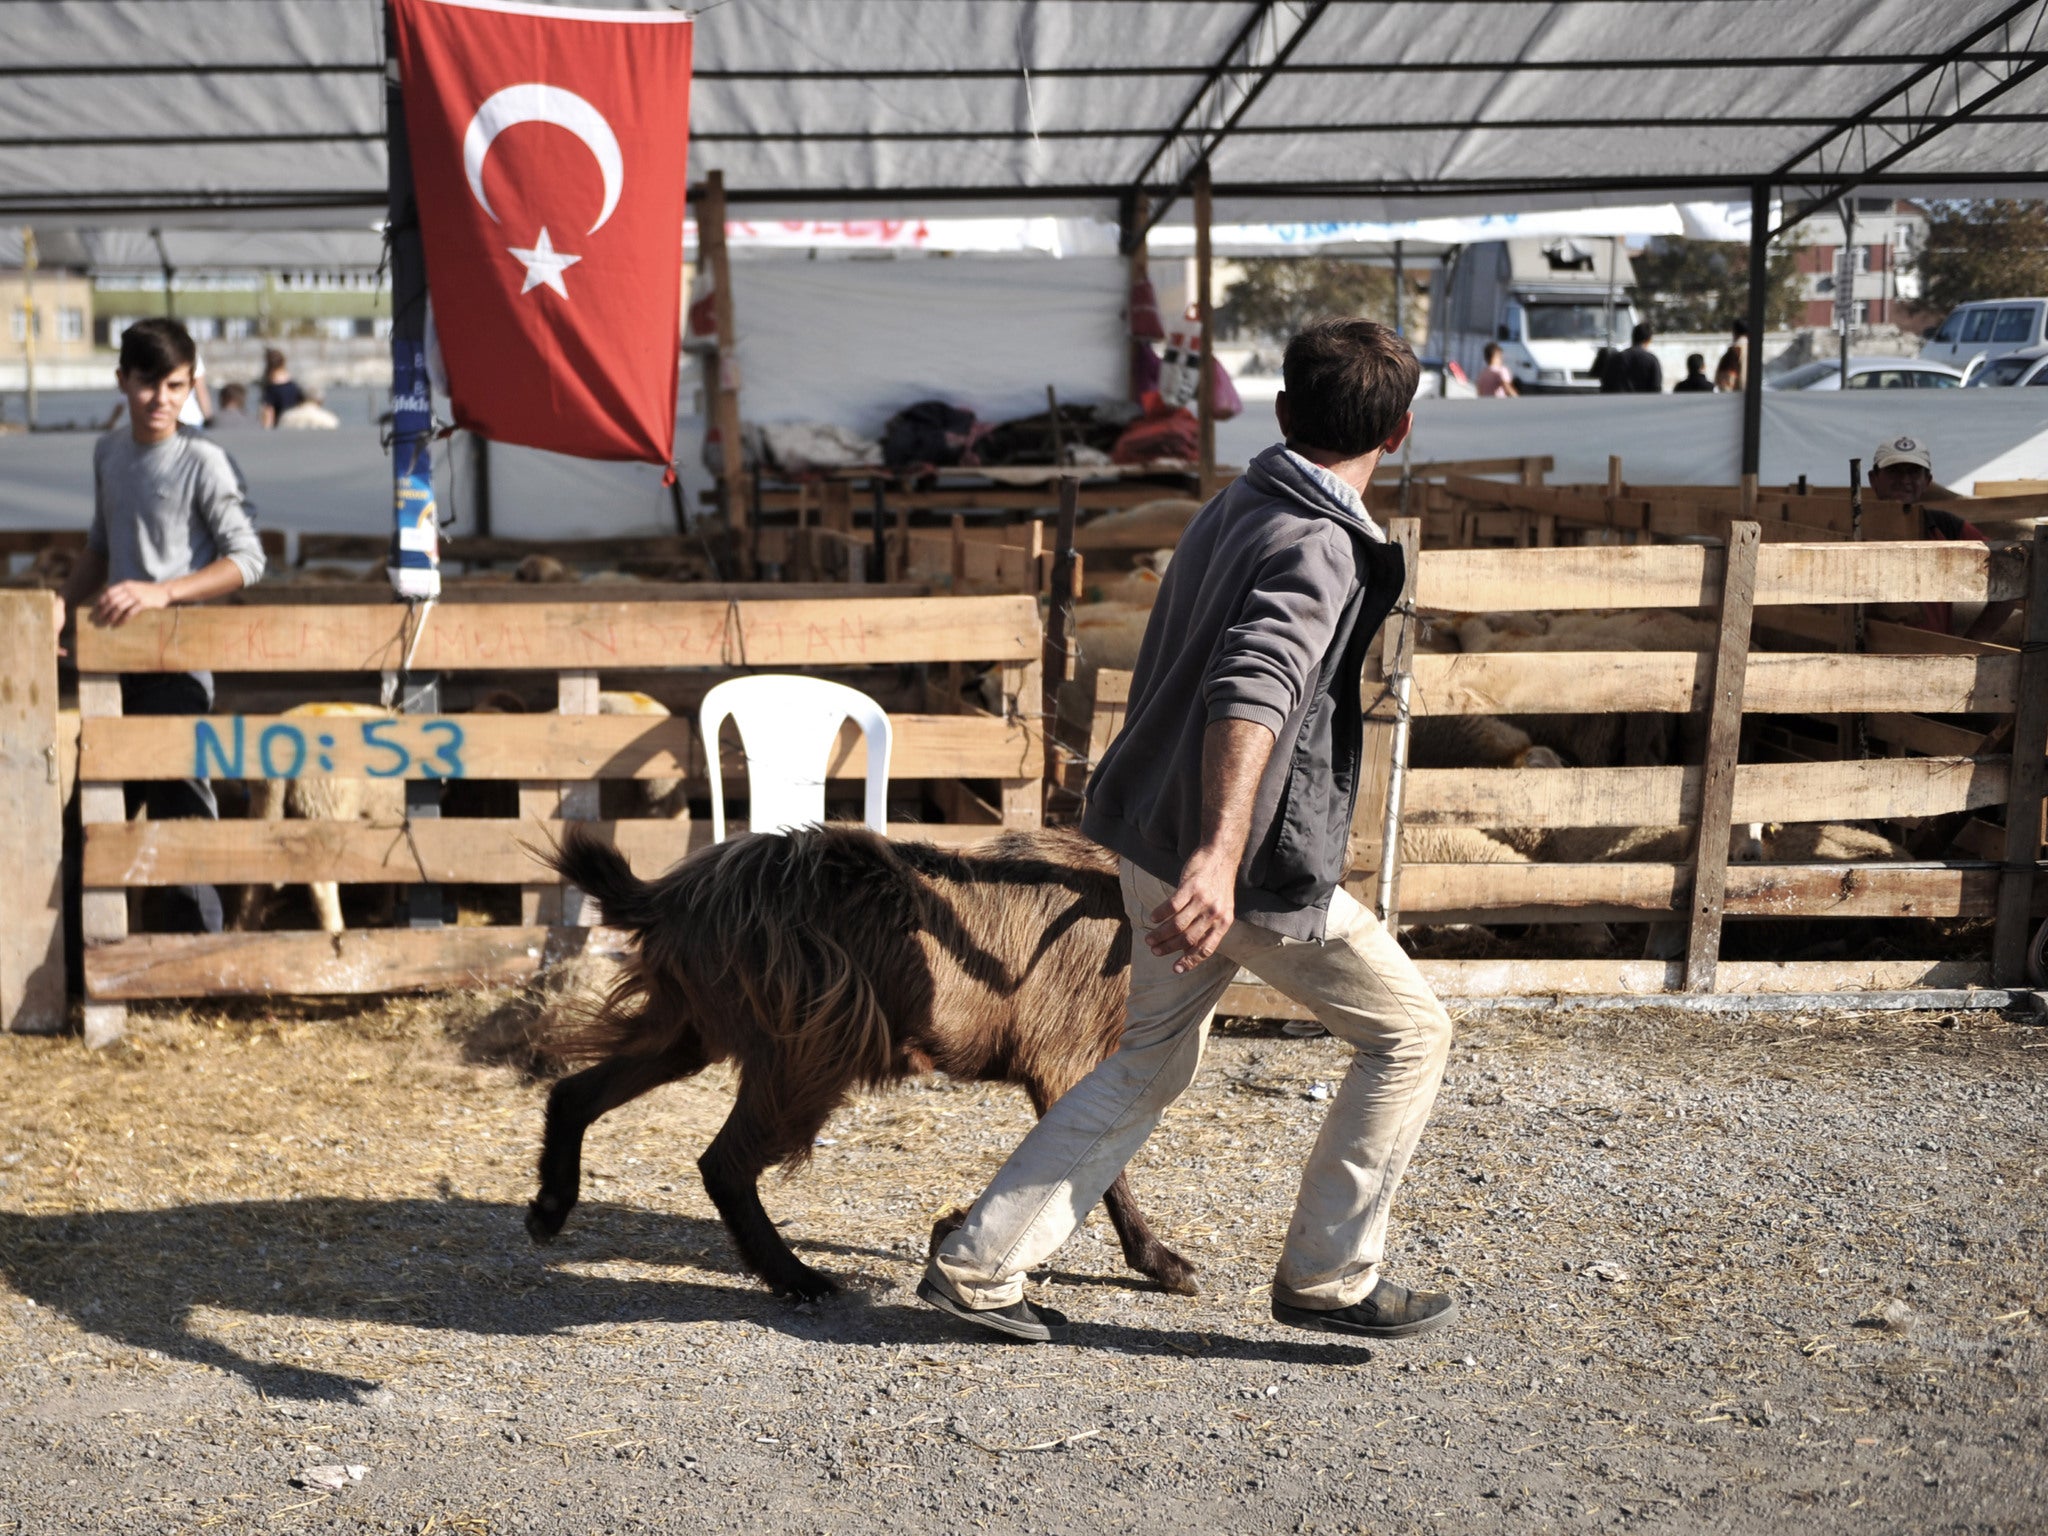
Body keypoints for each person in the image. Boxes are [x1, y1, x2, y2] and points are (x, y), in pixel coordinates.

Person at [920, 320, 1458, 1346]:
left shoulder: (1242, 501)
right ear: (1400, 430)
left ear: (1282, 412)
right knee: (1408, 1031)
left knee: (1148, 1058)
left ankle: (980, 1263)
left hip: (1147, 834)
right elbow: (1251, 687)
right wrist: (1219, 857)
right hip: (1231, 863)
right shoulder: (1318, 540)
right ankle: (1330, 1277)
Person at [58, 317, 266, 934]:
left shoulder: (204, 460)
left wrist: (163, 592)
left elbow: (248, 559)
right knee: (92, 819)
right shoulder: (109, 452)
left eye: (176, 386)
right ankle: (75, 967)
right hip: (113, 665)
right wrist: (60, 608)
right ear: (121, 380)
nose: (162, 400)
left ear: (191, 385)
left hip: (179, 663)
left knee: (181, 815)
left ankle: (188, 967)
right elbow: (100, 546)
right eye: (149, 384)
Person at [1868, 434, 2014, 641]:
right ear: (1873, 479)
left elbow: (2009, 571)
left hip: (1935, 659)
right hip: (1863, 660)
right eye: (1894, 471)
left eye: (1913, 472)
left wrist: (1972, 641)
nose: (1904, 480)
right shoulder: (1849, 527)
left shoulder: (1946, 527)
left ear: (1927, 481)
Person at [1599, 321, 1663, 393]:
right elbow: (1656, 389)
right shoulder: (1652, 360)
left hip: (1616, 402)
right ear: (1648, 340)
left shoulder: (1615, 358)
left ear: (1633, 337)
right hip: (1641, 403)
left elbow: (1605, 385)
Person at [259, 347, 305, 428]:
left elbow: (268, 413)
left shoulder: (271, 389)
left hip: (279, 427)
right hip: (293, 425)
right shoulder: (294, 385)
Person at [1714, 320, 1748, 393]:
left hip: (1737, 398)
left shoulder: (1734, 351)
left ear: (1734, 332)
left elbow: (1724, 382)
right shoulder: (1753, 350)